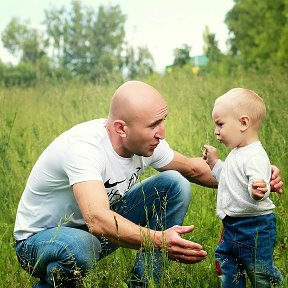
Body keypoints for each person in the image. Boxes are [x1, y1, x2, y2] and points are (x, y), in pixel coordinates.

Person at [14, 81, 283, 288]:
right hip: (41, 241)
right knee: (80, 246)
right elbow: (97, 220)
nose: (162, 133)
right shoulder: (84, 148)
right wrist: (160, 240)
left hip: (97, 233)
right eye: (154, 124)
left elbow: (193, 169)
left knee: (175, 183)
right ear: (121, 128)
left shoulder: (145, 142)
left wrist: (252, 174)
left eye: (162, 121)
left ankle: (143, 283)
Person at [203, 88, 283, 288]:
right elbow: (229, 180)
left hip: (254, 226)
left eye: (220, 124)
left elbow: (258, 182)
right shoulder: (237, 152)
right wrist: (214, 163)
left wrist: (259, 189)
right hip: (232, 226)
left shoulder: (254, 155)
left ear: (243, 123)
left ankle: (275, 283)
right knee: (226, 260)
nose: (216, 131)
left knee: (260, 271)